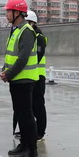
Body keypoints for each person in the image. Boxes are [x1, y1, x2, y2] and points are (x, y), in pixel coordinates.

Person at [0, 0, 39, 157]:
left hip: (24, 80)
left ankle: (32, 150)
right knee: (20, 114)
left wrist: (9, 74)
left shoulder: (26, 31)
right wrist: (5, 70)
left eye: (8, 11)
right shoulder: (16, 30)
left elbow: (22, 58)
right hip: (16, 80)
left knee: (26, 115)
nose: (6, 14)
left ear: (17, 13)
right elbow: (11, 55)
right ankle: (24, 144)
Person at [25, 10, 48, 141]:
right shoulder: (30, 35)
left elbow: (38, 56)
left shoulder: (38, 37)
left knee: (38, 105)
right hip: (31, 75)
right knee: (30, 105)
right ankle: (31, 129)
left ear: (32, 23)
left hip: (38, 76)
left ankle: (40, 131)